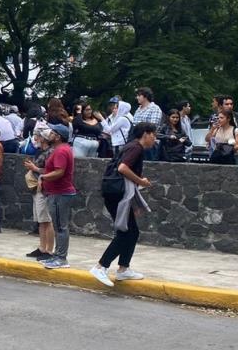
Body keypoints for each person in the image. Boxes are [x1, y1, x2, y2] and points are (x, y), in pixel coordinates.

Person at [90, 123, 157, 287]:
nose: (155, 138)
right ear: (145, 134)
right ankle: (100, 267)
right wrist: (142, 181)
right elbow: (123, 168)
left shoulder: (131, 147)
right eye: (153, 135)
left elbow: (126, 179)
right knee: (126, 233)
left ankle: (123, 269)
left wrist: (134, 204)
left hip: (117, 193)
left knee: (132, 232)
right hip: (116, 194)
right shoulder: (136, 148)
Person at [39, 124, 76, 270]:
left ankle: (61, 258)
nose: (50, 134)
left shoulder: (61, 151)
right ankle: (57, 255)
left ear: (58, 136)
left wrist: (43, 177)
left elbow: (59, 172)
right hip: (57, 193)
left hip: (61, 193)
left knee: (61, 226)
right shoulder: (61, 149)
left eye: (53, 133)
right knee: (58, 225)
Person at [23, 129, 55, 261]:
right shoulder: (40, 151)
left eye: (38, 136)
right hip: (37, 187)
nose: (35, 138)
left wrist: (34, 168)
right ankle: (42, 247)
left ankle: (49, 250)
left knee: (47, 220)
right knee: (41, 220)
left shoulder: (50, 152)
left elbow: (51, 171)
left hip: (45, 188)